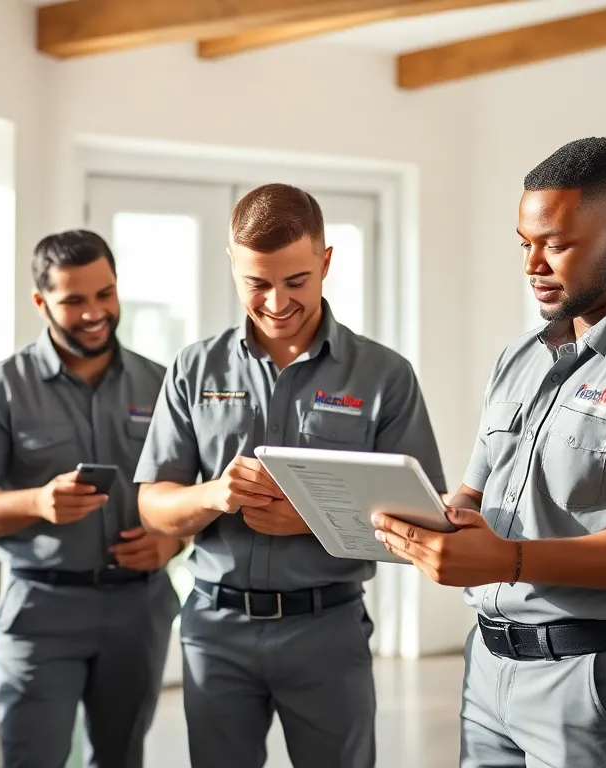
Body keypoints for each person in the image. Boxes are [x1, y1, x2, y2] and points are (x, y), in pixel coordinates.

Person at [372, 137, 606, 767]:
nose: (532, 264)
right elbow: (474, 496)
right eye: (524, 244)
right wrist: (413, 522)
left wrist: (510, 559)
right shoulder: (521, 357)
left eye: (554, 244)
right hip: (489, 667)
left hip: (597, 679)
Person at [135, 182, 446, 768]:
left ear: (325, 262)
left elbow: (420, 527)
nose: (277, 302)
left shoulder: (385, 376)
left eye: (295, 281)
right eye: (257, 283)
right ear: (233, 265)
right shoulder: (192, 368)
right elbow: (154, 505)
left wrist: (308, 519)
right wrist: (214, 494)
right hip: (214, 629)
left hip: (327, 631)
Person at [0, 229, 184, 768]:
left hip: (137, 610)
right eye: (74, 300)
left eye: (105, 294)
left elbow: (194, 494)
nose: (95, 312)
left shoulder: (161, 385)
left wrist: (171, 542)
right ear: (41, 301)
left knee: (121, 759)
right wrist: (36, 503)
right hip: (42, 610)